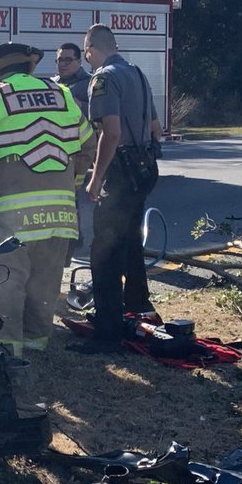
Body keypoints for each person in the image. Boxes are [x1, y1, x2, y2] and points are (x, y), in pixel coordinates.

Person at [0, 42, 94, 356]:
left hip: (9, 223)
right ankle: (36, 346)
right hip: (60, 217)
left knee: (5, 286)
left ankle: (8, 359)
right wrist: (67, 185)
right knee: (44, 288)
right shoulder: (63, 97)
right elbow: (88, 148)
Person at [74, 24, 164, 353]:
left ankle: (108, 333)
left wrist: (96, 179)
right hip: (144, 170)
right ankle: (139, 309)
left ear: (91, 49)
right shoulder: (138, 74)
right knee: (129, 245)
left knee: (104, 253)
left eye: (85, 51)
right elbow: (156, 130)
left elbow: (109, 134)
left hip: (120, 173)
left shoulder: (103, 79)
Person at [55, 42, 94, 258]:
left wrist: (81, 106)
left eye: (67, 59)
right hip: (54, 151)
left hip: (79, 150)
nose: (62, 64)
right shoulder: (52, 84)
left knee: (72, 197)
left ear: (79, 61)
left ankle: (72, 239)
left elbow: (101, 113)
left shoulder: (89, 84)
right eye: (59, 59)